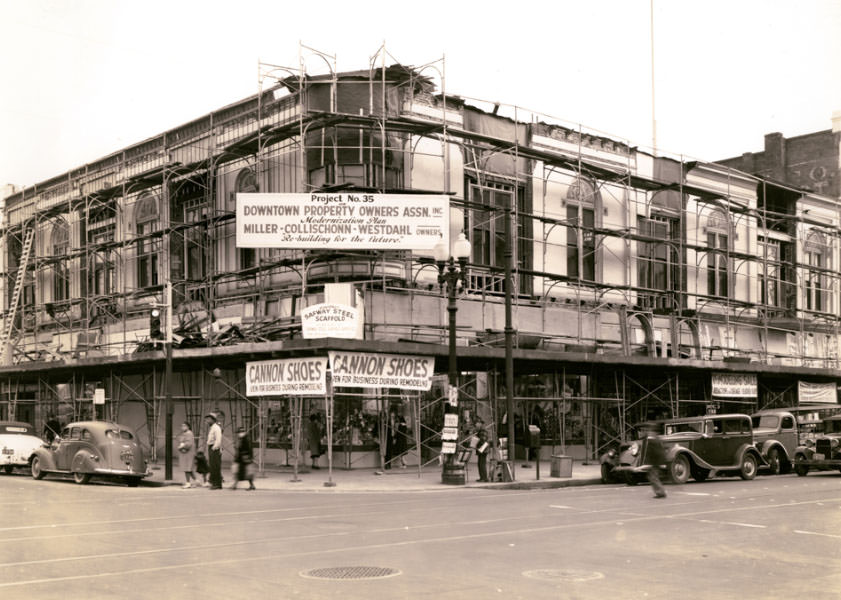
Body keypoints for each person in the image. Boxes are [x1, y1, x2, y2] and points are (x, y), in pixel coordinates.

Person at [643, 425, 667, 498]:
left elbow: (654, 452)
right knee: (652, 477)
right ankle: (660, 492)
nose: (647, 432)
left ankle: (661, 492)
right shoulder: (656, 439)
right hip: (656, 461)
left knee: (653, 477)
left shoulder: (652, 440)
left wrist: (649, 463)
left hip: (655, 461)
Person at [205, 412, 223, 490]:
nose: (207, 420)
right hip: (212, 447)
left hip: (214, 448)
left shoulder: (216, 428)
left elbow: (218, 440)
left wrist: (214, 448)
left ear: (213, 419)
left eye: (209, 419)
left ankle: (216, 484)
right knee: (213, 466)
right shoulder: (212, 427)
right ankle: (216, 483)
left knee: (215, 466)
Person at [176, 421, 197, 489]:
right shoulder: (185, 433)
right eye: (182, 426)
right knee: (188, 468)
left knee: (187, 468)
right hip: (186, 453)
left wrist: (181, 447)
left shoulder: (189, 433)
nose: (183, 427)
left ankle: (188, 483)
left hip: (187, 453)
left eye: (184, 425)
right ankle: (196, 481)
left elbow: (188, 443)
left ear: (188, 426)